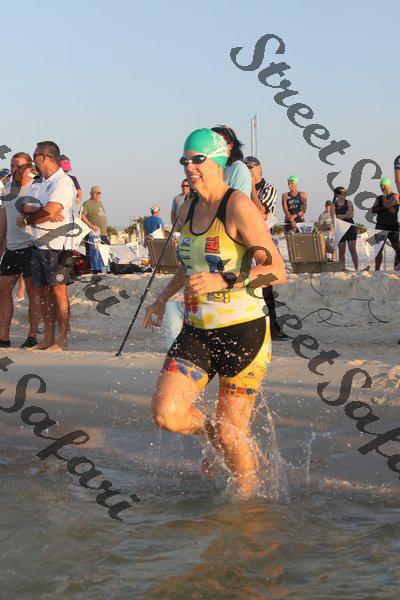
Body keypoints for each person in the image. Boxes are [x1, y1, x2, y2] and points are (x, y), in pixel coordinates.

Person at [144, 128, 286, 497]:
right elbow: (187, 266)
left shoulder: (237, 206)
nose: (189, 166)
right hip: (197, 329)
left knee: (230, 430)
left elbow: (277, 271)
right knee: (167, 413)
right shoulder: (188, 207)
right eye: (185, 160)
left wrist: (225, 280)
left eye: (198, 159)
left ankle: (249, 504)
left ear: (219, 162)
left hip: (244, 331)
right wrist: (161, 299)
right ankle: (220, 439)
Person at [17, 140, 75, 351]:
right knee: (42, 293)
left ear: (44, 157)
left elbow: (49, 211)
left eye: (35, 155)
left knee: (59, 292)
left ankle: (62, 339)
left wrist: (32, 216)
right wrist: (39, 212)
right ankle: (48, 338)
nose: (33, 159)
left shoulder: (63, 182)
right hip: (38, 244)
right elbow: (23, 205)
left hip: (58, 246)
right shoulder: (38, 182)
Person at [243, 155, 288, 342]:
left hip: (262, 241)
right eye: (246, 167)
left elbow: (261, 211)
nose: (249, 170)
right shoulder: (239, 188)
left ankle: (272, 328)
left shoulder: (269, 189)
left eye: (251, 166)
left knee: (266, 285)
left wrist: (251, 188)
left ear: (259, 167)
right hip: (243, 240)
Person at [0, 152, 41, 348]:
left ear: (29, 168)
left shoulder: (36, 187)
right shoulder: (7, 188)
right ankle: (4, 336)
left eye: (18, 165)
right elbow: (3, 219)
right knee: (3, 289)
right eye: (12, 165)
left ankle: (32, 335)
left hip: (31, 246)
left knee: (33, 291)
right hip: (12, 247)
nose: (14, 169)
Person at [211, 125, 252, 197]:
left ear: (230, 145)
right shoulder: (209, 168)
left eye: (219, 144)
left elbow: (240, 201)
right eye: (211, 144)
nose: (216, 148)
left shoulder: (238, 168)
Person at [371, 178, 400, 271]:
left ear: (389, 185)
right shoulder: (379, 198)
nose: (382, 187)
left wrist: (383, 205)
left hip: (393, 226)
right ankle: (377, 270)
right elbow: (373, 210)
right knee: (378, 249)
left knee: (397, 247)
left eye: (384, 186)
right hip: (380, 226)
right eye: (381, 186)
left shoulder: (395, 195)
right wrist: (387, 206)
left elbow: (392, 209)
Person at [330, 186, 358, 270]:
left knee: (352, 249)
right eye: (342, 194)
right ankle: (342, 268)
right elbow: (333, 219)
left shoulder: (348, 203)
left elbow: (351, 215)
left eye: (345, 194)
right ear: (338, 195)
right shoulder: (333, 205)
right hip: (340, 229)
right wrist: (345, 215)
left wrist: (340, 216)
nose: (344, 196)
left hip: (350, 228)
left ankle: (356, 268)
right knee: (341, 251)